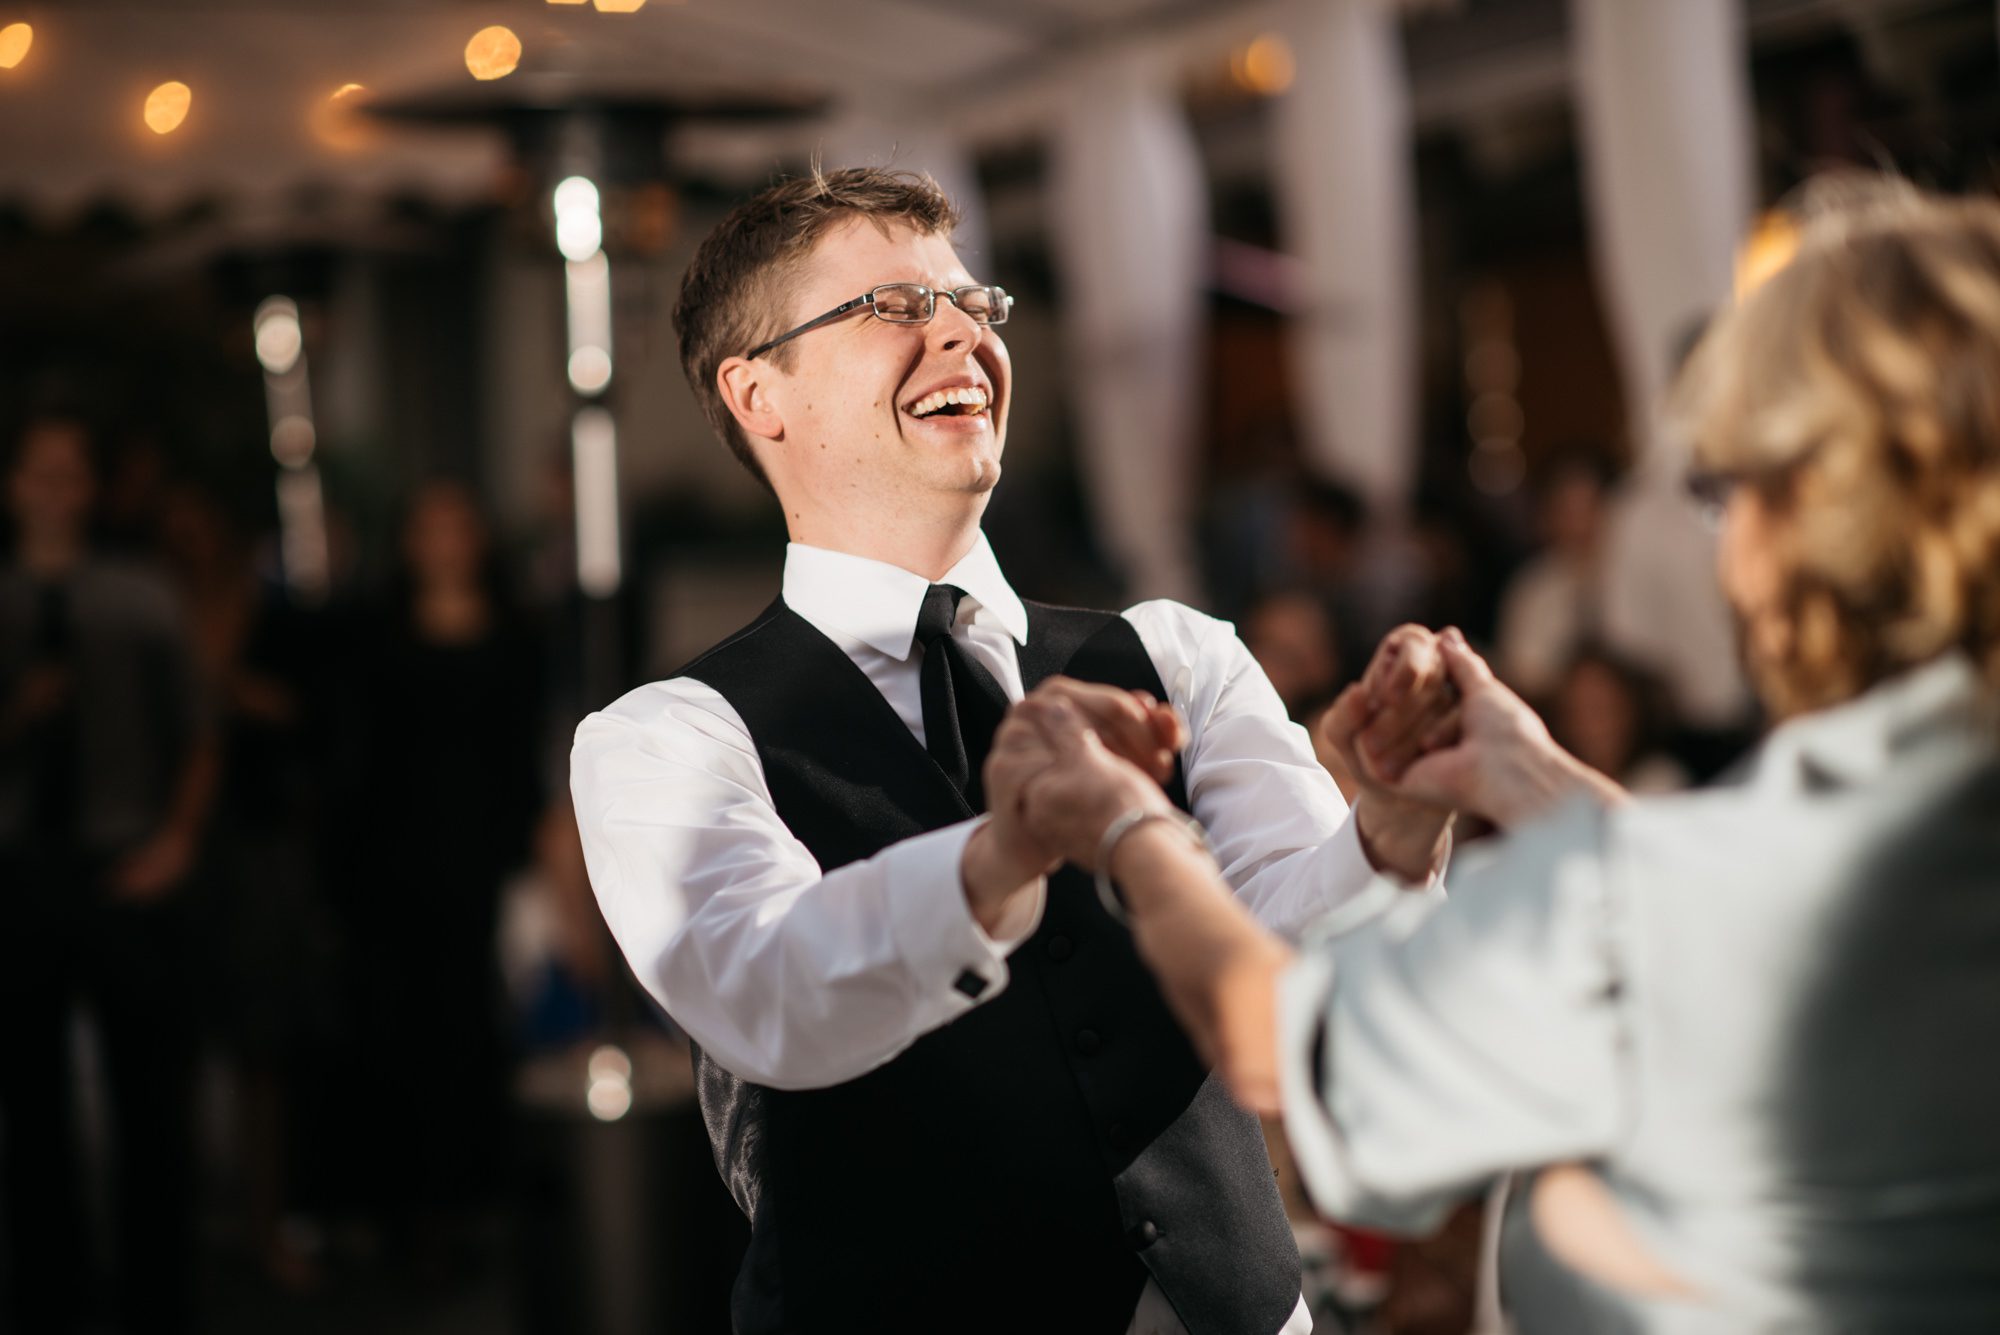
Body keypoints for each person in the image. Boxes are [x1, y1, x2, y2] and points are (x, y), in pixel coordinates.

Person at [994, 183, 2000, 1330]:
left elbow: (1278, 1043)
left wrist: (1127, 826)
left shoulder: (1647, 905)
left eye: (1721, 497)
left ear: (1800, 519)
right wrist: (1533, 777)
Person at [568, 167, 1455, 1335]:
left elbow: (1292, 945)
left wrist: (1391, 822)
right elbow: (767, 988)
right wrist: (1004, 854)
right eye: (889, 309)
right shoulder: (668, 737)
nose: (959, 334)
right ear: (757, 394)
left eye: (973, 302)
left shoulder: (1173, 653)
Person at [0, 416, 216, 1335]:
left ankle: (156, 1301)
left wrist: (176, 840)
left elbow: (199, 729)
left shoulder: (138, 592)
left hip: (126, 857)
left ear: (90, 488)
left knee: (149, 1103)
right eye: (37, 472)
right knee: (29, 1107)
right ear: (14, 486)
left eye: (70, 473)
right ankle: (49, 1301)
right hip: (17, 868)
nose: (54, 490)